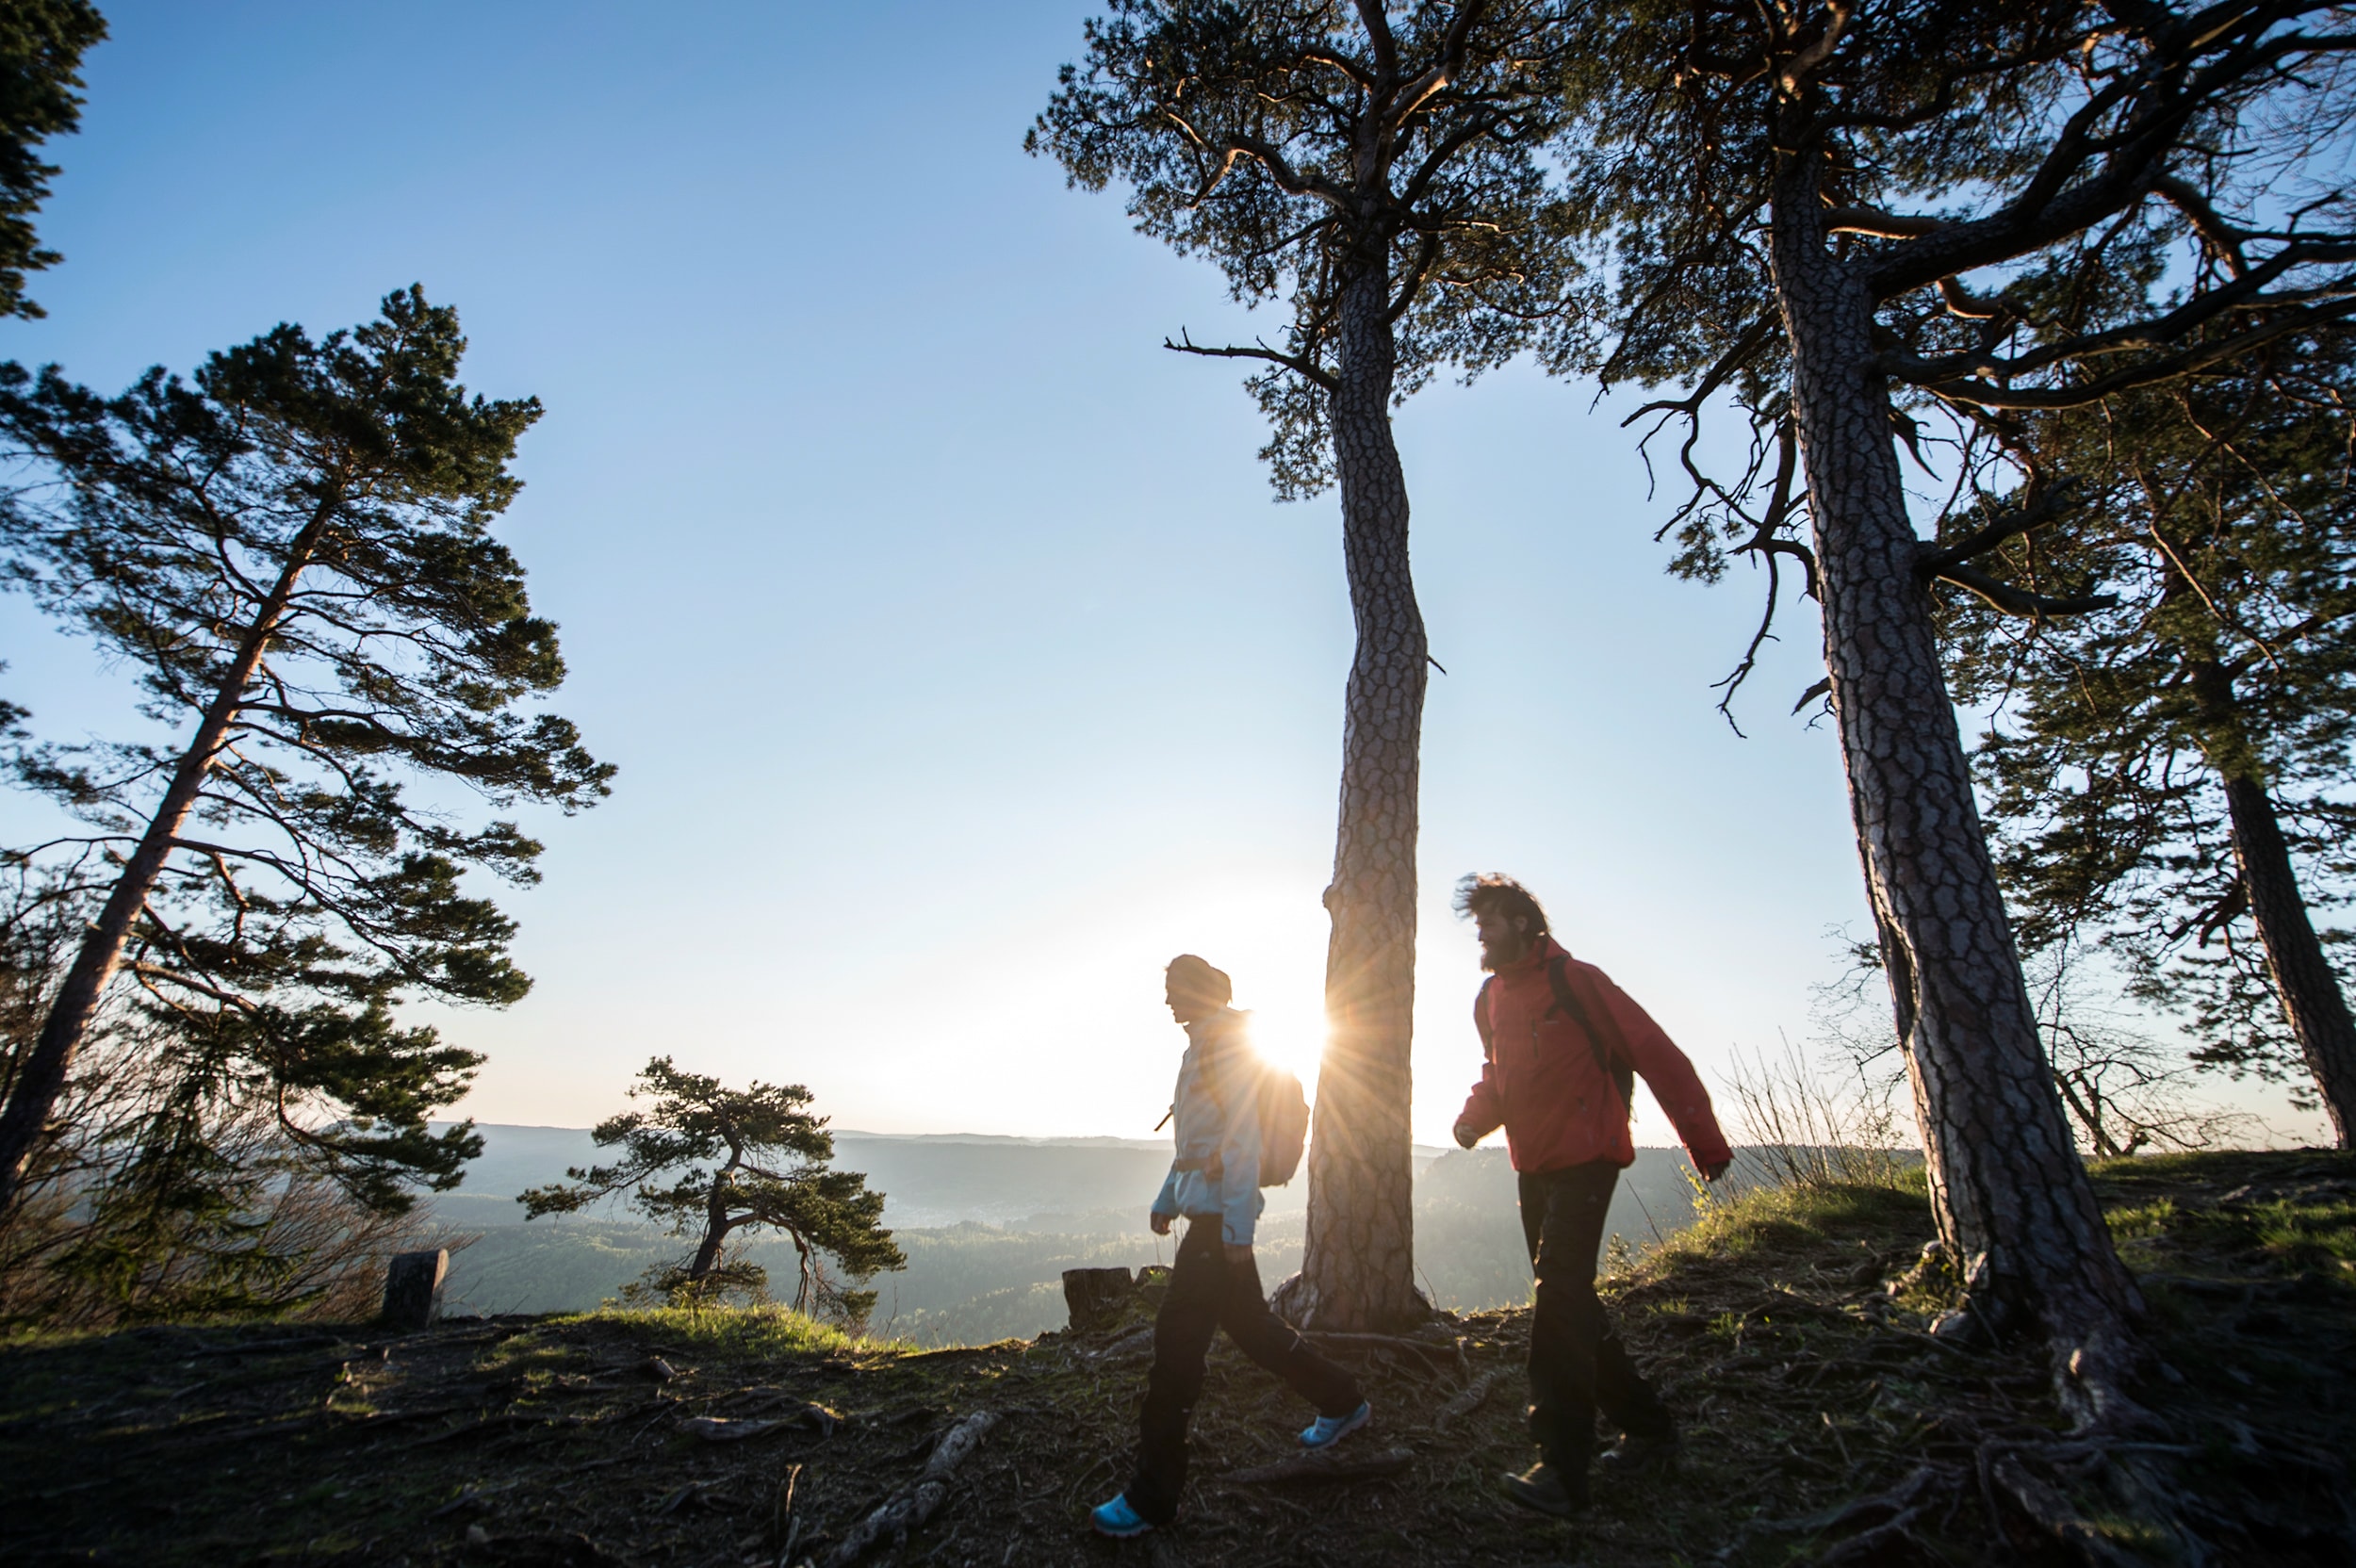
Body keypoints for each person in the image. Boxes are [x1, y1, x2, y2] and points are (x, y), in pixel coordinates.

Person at [1450, 874, 1733, 1519]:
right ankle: (1650, 1429)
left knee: (1559, 1296)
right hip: (1534, 1166)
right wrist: (1474, 1118)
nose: (1481, 935)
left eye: (1489, 922)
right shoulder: (1489, 997)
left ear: (1523, 923)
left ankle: (1563, 1467)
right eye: (1477, 926)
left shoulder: (1578, 981)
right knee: (1571, 1300)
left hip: (1589, 1158)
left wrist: (1705, 1142)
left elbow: (1654, 1051)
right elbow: (1500, 1073)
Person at [1090, 955, 1372, 1540]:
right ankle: (1343, 1400)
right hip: (1210, 1213)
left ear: (1199, 991)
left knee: (1175, 1349)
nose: (1167, 999)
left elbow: (1241, 1144)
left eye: (1173, 988)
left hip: (1220, 1222)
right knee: (1251, 1327)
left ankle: (1151, 1498)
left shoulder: (1224, 1049)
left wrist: (1236, 1233)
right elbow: (1197, 1143)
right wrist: (1168, 1197)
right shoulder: (1201, 1049)